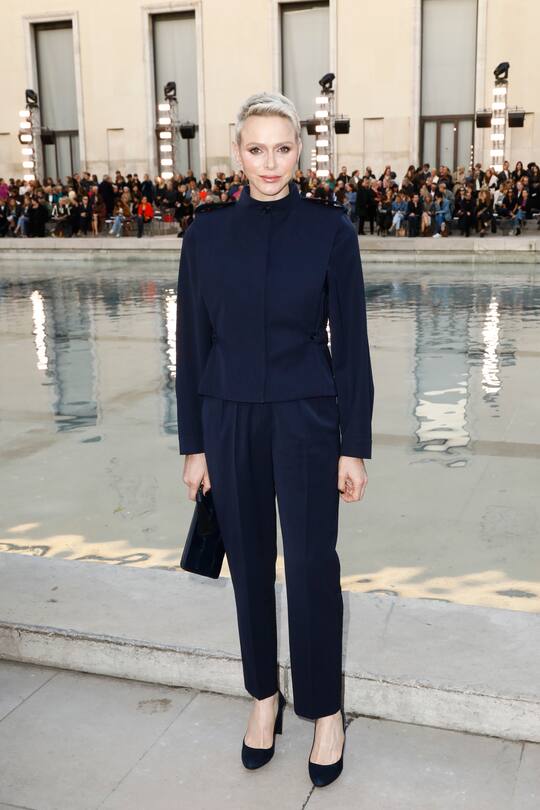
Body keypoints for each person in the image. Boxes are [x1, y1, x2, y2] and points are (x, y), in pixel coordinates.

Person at [176, 91, 374, 789]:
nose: (269, 162)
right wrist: (193, 444)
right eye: (255, 148)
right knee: (250, 566)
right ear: (236, 152)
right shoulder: (203, 235)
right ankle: (265, 699)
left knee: (314, 567)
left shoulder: (331, 233)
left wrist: (355, 445)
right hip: (229, 418)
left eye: (282, 148)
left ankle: (325, 710)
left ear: (301, 152)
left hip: (307, 418)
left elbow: (351, 346)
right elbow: (191, 343)